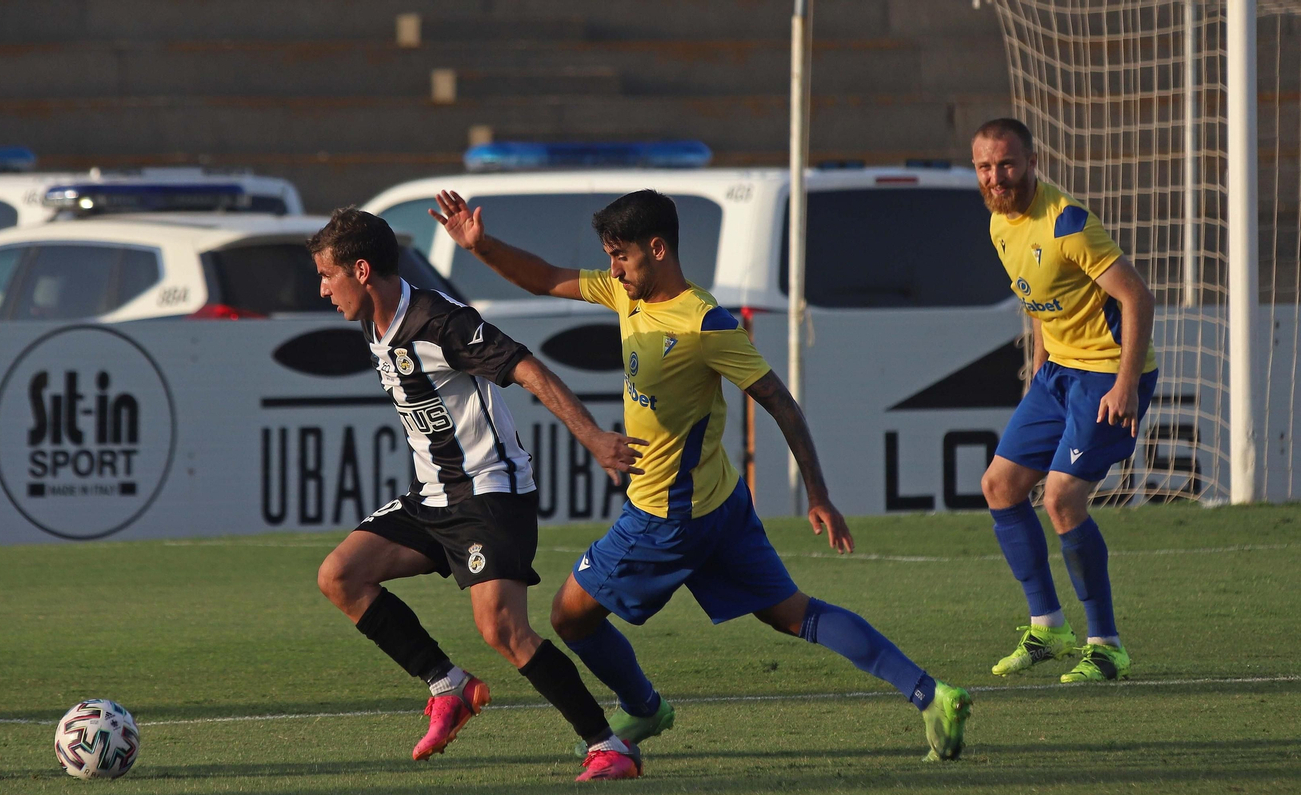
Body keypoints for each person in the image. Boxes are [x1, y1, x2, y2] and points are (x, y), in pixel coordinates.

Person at [430, 189, 972, 762]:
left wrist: (818, 492)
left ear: (657, 249)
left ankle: (642, 707)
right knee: (793, 612)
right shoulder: (626, 292)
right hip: (722, 504)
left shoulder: (703, 323)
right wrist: (480, 243)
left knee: (568, 615)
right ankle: (931, 694)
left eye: (621, 256)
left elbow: (781, 402)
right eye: (610, 257)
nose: (612, 269)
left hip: (666, 518)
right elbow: (542, 276)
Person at [308, 208, 648, 781]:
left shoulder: (440, 321)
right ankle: (449, 685)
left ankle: (608, 745)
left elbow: (528, 368)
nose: (322, 290)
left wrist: (591, 435)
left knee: (503, 630)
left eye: (327, 276)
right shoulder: (374, 319)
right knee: (340, 576)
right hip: (433, 496)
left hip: (490, 494)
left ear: (361, 271)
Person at [971, 118, 1158, 682]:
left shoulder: (1068, 224)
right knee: (999, 487)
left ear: (1031, 161)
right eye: (985, 166)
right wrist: (1041, 367)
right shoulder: (999, 223)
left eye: (1006, 164)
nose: (996, 176)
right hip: (1058, 374)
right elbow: (1040, 302)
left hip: (1107, 375)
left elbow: (1137, 298)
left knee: (1061, 499)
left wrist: (1125, 383)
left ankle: (1106, 645)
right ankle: (1048, 626)